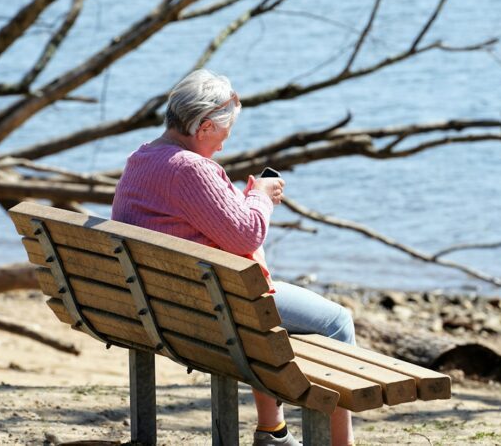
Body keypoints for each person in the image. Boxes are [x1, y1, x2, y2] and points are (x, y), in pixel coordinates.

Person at [111, 70, 356, 446]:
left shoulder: (141, 159)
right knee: (337, 322)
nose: (224, 145)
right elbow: (247, 233)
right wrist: (260, 194)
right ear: (205, 126)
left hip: (158, 305)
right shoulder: (191, 168)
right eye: (224, 133)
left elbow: (194, 223)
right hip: (211, 310)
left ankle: (273, 430)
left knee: (255, 307)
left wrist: (239, 204)